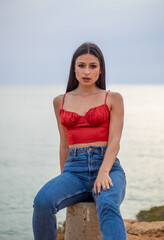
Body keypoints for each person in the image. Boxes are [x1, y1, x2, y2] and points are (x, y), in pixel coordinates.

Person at [32, 42, 127, 240]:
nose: (86, 71)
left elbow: (115, 141)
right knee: (42, 201)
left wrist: (103, 172)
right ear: (73, 68)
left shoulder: (113, 98)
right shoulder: (60, 101)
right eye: (81, 65)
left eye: (93, 66)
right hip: (74, 170)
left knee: (108, 205)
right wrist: (63, 180)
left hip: (107, 167)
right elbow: (64, 144)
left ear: (100, 70)